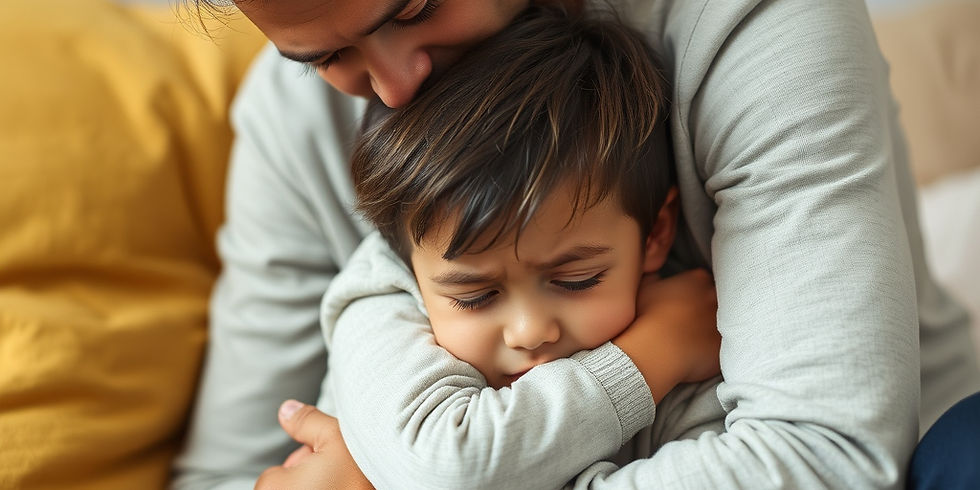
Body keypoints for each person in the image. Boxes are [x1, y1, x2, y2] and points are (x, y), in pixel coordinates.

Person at [171, 0, 980, 489]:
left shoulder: (751, 22)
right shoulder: (295, 128)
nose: (396, 86)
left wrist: (415, 472)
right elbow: (227, 471)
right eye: (326, 58)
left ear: (656, 230)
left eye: (415, 9)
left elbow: (825, 461)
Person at [277, 8, 727, 488]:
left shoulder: (686, 353)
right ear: (408, 269)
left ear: (655, 234)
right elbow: (450, 467)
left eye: (576, 281)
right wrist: (651, 355)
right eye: (475, 297)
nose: (529, 332)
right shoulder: (379, 305)